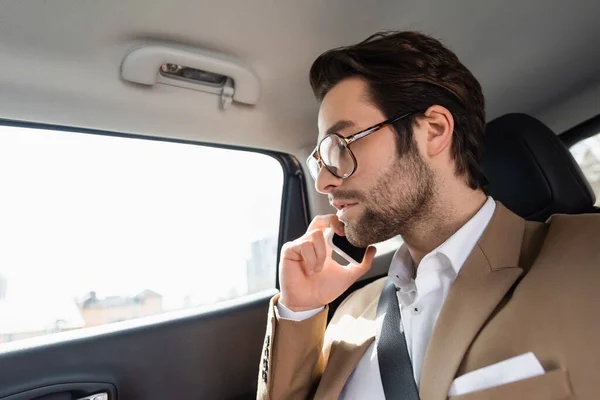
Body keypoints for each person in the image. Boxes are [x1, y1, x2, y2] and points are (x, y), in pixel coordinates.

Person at [257, 31, 600, 400]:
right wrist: (300, 310)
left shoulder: (589, 261)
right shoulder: (349, 316)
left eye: (341, 146)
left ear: (434, 131)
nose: (324, 181)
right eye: (319, 162)